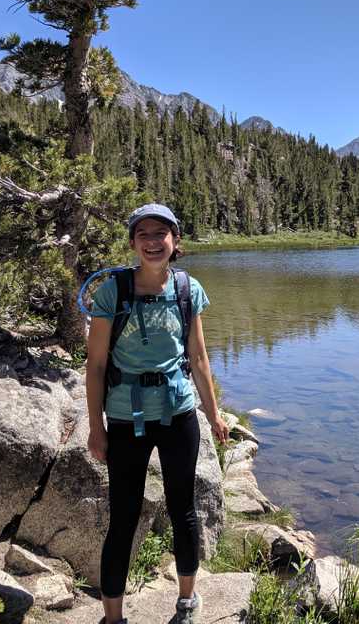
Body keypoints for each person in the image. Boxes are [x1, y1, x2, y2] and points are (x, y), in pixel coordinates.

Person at [85, 203, 230, 624]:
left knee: (184, 508)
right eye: (143, 234)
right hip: (126, 419)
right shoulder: (112, 292)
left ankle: (186, 600)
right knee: (123, 516)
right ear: (132, 242)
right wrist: (96, 427)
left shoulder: (187, 290)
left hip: (179, 415)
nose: (152, 242)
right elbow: (94, 366)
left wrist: (215, 414)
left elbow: (199, 357)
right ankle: (113, 618)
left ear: (175, 241)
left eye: (160, 233)